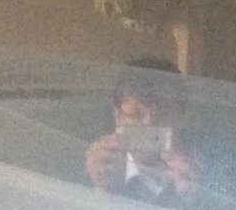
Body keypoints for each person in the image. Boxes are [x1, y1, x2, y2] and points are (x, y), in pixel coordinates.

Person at [85, 70, 203, 203]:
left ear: (182, 117)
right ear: (117, 116)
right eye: (136, 114)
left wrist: (192, 197)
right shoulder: (95, 165)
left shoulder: (203, 170)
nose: (149, 123)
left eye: (163, 113)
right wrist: (103, 187)